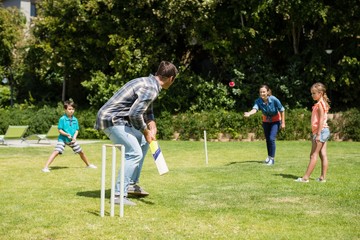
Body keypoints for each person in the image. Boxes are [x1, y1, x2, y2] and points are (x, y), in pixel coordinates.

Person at [95, 61, 178, 206]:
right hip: (112, 119)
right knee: (134, 153)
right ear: (170, 78)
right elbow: (135, 114)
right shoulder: (151, 88)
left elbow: (146, 108)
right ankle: (118, 195)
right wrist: (145, 130)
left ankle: (132, 184)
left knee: (145, 142)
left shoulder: (149, 83)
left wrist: (151, 121)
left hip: (117, 119)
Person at [42, 100, 97, 173]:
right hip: (63, 139)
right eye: (69, 109)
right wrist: (66, 134)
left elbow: (77, 130)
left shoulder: (75, 119)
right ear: (65, 110)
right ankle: (45, 167)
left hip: (71, 140)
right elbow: (60, 130)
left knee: (81, 152)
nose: (71, 111)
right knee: (56, 151)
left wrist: (74, 137)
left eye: (73, 109)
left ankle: (88, 165)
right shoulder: (62, 119)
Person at [295, 83, 330, 183]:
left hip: (321, 131)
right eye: (311, 93)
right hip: (324, 131)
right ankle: (322, 178)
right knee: (323, 154)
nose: (312, 95)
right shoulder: (321, 103)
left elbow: (321, 120)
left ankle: (305, 178)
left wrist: (318, 134)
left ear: (321, 93)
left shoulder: (320, 105)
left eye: (314, 93)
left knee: (313, 155)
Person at [244, 85, 285, 165]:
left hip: (275, 121)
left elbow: (282, 110)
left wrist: (283, 123)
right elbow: (255, 109)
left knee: (271, 138)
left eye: (264, 92)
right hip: (266, 121)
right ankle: (269, 157)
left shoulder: (274, 99)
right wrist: (249, 113)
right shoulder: (258, 101)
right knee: (268, 139)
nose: (262, 93)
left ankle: (272, 159)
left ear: (267, 92)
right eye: (260, 92)